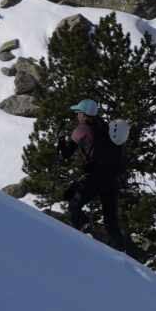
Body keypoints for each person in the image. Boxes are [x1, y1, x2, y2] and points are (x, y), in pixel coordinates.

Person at [63, 98, 127, 250]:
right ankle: (120, 249)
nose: (77, 115)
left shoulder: (82, 129)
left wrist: (60, 139)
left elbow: (66, 154)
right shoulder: (106, 126)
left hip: (95, 176)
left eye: (78, 112)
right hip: (112, 179)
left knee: (74, 205)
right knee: (111, 220)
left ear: (83, 114)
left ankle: (86, 232)